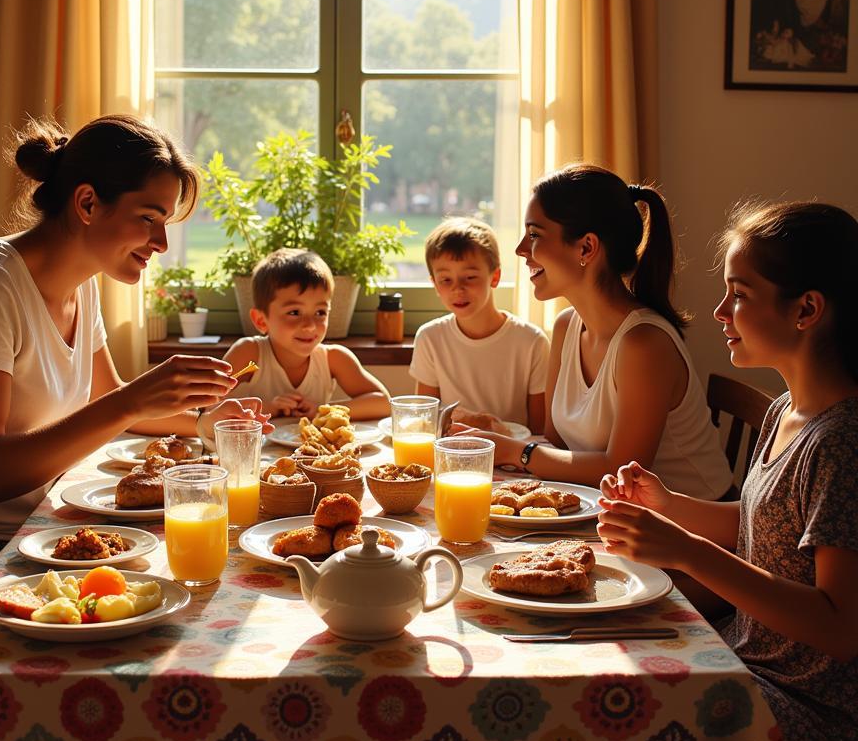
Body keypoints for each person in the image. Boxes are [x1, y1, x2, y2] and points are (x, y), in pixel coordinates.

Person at [0, 115, 267, 577]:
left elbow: (105, 397)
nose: (162, 243)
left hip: (50, 529)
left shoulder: (82, 285)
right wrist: (131, 402)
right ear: (87, 202)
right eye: (149, 218)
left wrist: (205, 421)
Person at [596, 201, 858, 741]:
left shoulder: (841, 443)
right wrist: (669, 506)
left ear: (807, 309)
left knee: (607, 716)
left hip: (812, 713)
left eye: (739, 294)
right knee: (601, 668)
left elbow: (839, 627)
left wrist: (684, 550)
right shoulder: (788, 410)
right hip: (748, 661)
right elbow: (765, 524)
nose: (718, 311)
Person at [454, 164, 732, 497]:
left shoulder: (644, 343)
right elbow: (557, 441)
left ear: (586, 248)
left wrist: (516, 451)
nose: (519, 250)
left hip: (690, 529)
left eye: (534, 235)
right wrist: (498, 439)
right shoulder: (566, 326)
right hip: (612, 512)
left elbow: (622, 470)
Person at [410, 217, 548, 433]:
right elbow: (426, 419)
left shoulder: (531, 341)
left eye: (470, 277)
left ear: (495, 277)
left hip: (513, 458)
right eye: (446, 280)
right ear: (434, 284)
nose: (458, 289)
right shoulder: (430, 338)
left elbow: (540, 431)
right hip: (452, 453)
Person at [221, 248, 390, 423]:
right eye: (294, 312)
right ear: (261, 321)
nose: (310, 326)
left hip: (317, 450)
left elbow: (383, 403)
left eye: (320, 312)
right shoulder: (249, 353)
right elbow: (209, 407)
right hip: (259, 450)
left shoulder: (334, 358)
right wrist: (269, 407)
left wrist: (323, 411)